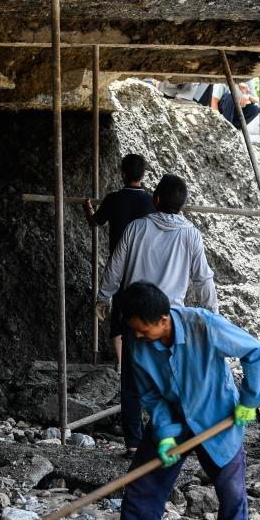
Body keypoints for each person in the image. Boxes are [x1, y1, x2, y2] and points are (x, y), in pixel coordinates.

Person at [103, 282, 260, 520]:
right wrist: (164, 435)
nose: (137, 337)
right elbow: (151, 395)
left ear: (164, 320)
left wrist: (249, 399)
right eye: (133, 330)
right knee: (143, 485)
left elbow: (252, 350)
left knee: (232, 494)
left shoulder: (203, 324)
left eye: (142, 330)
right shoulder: (138, 342)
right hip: (174, 421)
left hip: (217, 418)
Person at [97, 174, 218, 457]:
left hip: (137, 318)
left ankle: (134, 442)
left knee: (131, 381)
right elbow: (203, 280)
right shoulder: (190, 234)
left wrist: (103, 297)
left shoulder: (136, 228)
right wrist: (212, 313)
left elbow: (115, 268)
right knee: (169, 382)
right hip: (169, 323)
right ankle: (165, 439)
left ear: (156, 200)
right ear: (183, 204)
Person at [84, 154, 157, 369]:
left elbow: (95, 222)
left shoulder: (113, 199)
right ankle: (144, 361)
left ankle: (121, 363)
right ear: (143, 175)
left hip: (119, 263)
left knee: (119, 311)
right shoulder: (152, 201)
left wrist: (87, 209)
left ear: (122, 174)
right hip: (145, 264)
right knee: (144, 308)